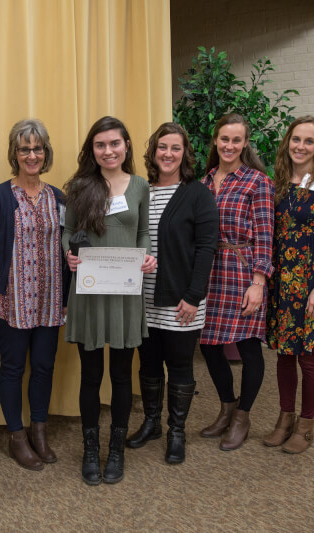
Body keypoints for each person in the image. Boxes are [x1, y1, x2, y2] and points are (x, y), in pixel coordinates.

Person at [63, 116, 156, 485]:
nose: (108, 151)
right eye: (100, 145)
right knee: (90, 376)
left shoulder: (140, 186)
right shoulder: (80, 186)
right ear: (93, 149)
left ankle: (116, 450)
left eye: (114, 143)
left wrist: (146, 256)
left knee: (120, 376)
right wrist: (69, 253)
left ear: (126, 146)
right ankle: (91, 450)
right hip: (88, 290)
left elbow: (144, 232)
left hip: (124, 293)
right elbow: (69, 231)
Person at [127, 123, 218, 464]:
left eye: (175, 148)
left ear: (185, 153)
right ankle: (151, 423)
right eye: (162, 147)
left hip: (182, 300)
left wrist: (194, 296)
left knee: (179, 365)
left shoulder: (198, 194)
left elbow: (206, 248)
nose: (168, 154)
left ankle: (176, 431)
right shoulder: (141, 191)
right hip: (142, 298)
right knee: (149, 363)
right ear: (153, 152)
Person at [0, 119, 69, 470]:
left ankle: (39, 432)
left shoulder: (58, 198)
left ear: (46, 153)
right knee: (13, 368)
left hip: (50, 300)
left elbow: (68, 247)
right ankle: (16, 436)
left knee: (44, 367)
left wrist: (69, 295)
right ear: (14, 154)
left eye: (38, 148)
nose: (32, 155)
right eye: (25, 149)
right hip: (12, 301)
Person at [265, 116, 314, 453]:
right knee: (284, 355)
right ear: (288, 141)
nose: (300, 146)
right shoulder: (280, 183)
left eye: (308, 141)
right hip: (283, 282)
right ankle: (285, 419)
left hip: (312, 282)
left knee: (308, 358)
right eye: (296, 139)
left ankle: (306, 425)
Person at [199, 113, 274, 452]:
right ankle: (227, 406)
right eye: (224, 139)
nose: (229, 145)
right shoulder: (203, 182)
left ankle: (243, 416)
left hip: (243, 271)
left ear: (245, 144)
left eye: (236, 140)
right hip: (209, 271)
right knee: (208, 344)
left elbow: (265, 235)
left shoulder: (258, 182)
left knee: (247, 346)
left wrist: (258, 282)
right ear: (216, 140)